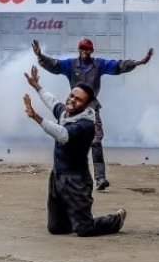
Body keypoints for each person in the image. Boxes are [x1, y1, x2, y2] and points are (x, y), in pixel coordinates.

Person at [32, 38, 153, 190]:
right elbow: (55, 65)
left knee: (96, 141)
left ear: (91, 51)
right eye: (82, 48)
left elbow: (118, 66)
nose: (84, 51)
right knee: (67, 140)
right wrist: (40, 56)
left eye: (87, 49)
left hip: (91, 108)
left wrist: (138, 62)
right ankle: (66, 176)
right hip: (73, 108)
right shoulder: (71, 65)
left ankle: (100, 178)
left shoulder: (98, 65)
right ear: (79, 49)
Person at [23, 65, 126, 237]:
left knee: (84, 229)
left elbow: (62, 135)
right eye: (71, 95)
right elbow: (53, 101)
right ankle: (74, 218)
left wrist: (36, 116)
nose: (71, 100)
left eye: (78, 99)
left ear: (85, 106)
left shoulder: (86, 125)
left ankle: (115, 220)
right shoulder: (66, 112)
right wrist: (36, 86)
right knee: (56, 229)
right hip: (57, 176)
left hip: (76, 180)